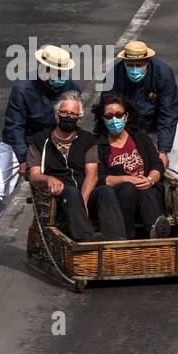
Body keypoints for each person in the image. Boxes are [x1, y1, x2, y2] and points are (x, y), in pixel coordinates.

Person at [0, 44, 80, 259]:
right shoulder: (23, 89)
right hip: (17, 144)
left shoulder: (70, 89)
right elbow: (14, 126)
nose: (60, 77)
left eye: (63, 72)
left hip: (51, 144)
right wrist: (23, 159)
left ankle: (38, 239)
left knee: (52, 191)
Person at [27, 95, 126, 243]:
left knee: (106, 191)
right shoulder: (40, 140)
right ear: (56, 115)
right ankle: (87, 239)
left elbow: (91, 175)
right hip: (58, 196)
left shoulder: (88, 140)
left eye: (73, 114)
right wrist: (48, 179)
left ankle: (117, 240)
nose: (68, 117)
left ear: (79, 119)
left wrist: (83, 201)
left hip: (83, 194)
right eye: (64, 113)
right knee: (71, 192)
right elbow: (34, 175)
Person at [108, 39, 178, 211]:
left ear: (147, 62)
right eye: (130, 64)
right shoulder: (113, 76)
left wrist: (163, 150)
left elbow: (169, 113)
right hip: (130, 128)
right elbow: (107, 110)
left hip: (160, 126)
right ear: (124, 62)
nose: (134, 68)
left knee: (174, 174)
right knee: (135, 169)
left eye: (139, 64)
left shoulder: (163, 73)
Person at [92, 93, 172, 239]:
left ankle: (156, 232)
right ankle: (128, 237)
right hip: (120, 195)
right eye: (109, 116)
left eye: (118, 115)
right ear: (103, 119)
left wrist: (150, 180)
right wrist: (126, 179)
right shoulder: (98, 145)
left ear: (126, 116)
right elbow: (100, 178)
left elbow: (157, 164)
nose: (114, 119)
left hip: (147, 188)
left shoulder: (139, 136)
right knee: (129, 189)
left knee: (147, 192)